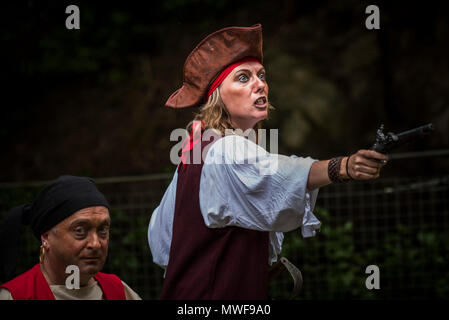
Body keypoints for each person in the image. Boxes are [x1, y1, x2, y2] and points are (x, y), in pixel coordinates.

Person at [148, 24, 388, 299]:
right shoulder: (225, 149)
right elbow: (279, 174)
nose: (260, 83)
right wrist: (343, 167)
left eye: (261, 75)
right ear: (217, 98)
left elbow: (160, 238)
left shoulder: (195, 153)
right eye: (242, 78)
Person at [0, 175, 141, 300]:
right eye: (80, 231)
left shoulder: (119, 292)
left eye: (102, 230)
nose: (95, 243)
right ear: (46, 237)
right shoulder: (17, 295)